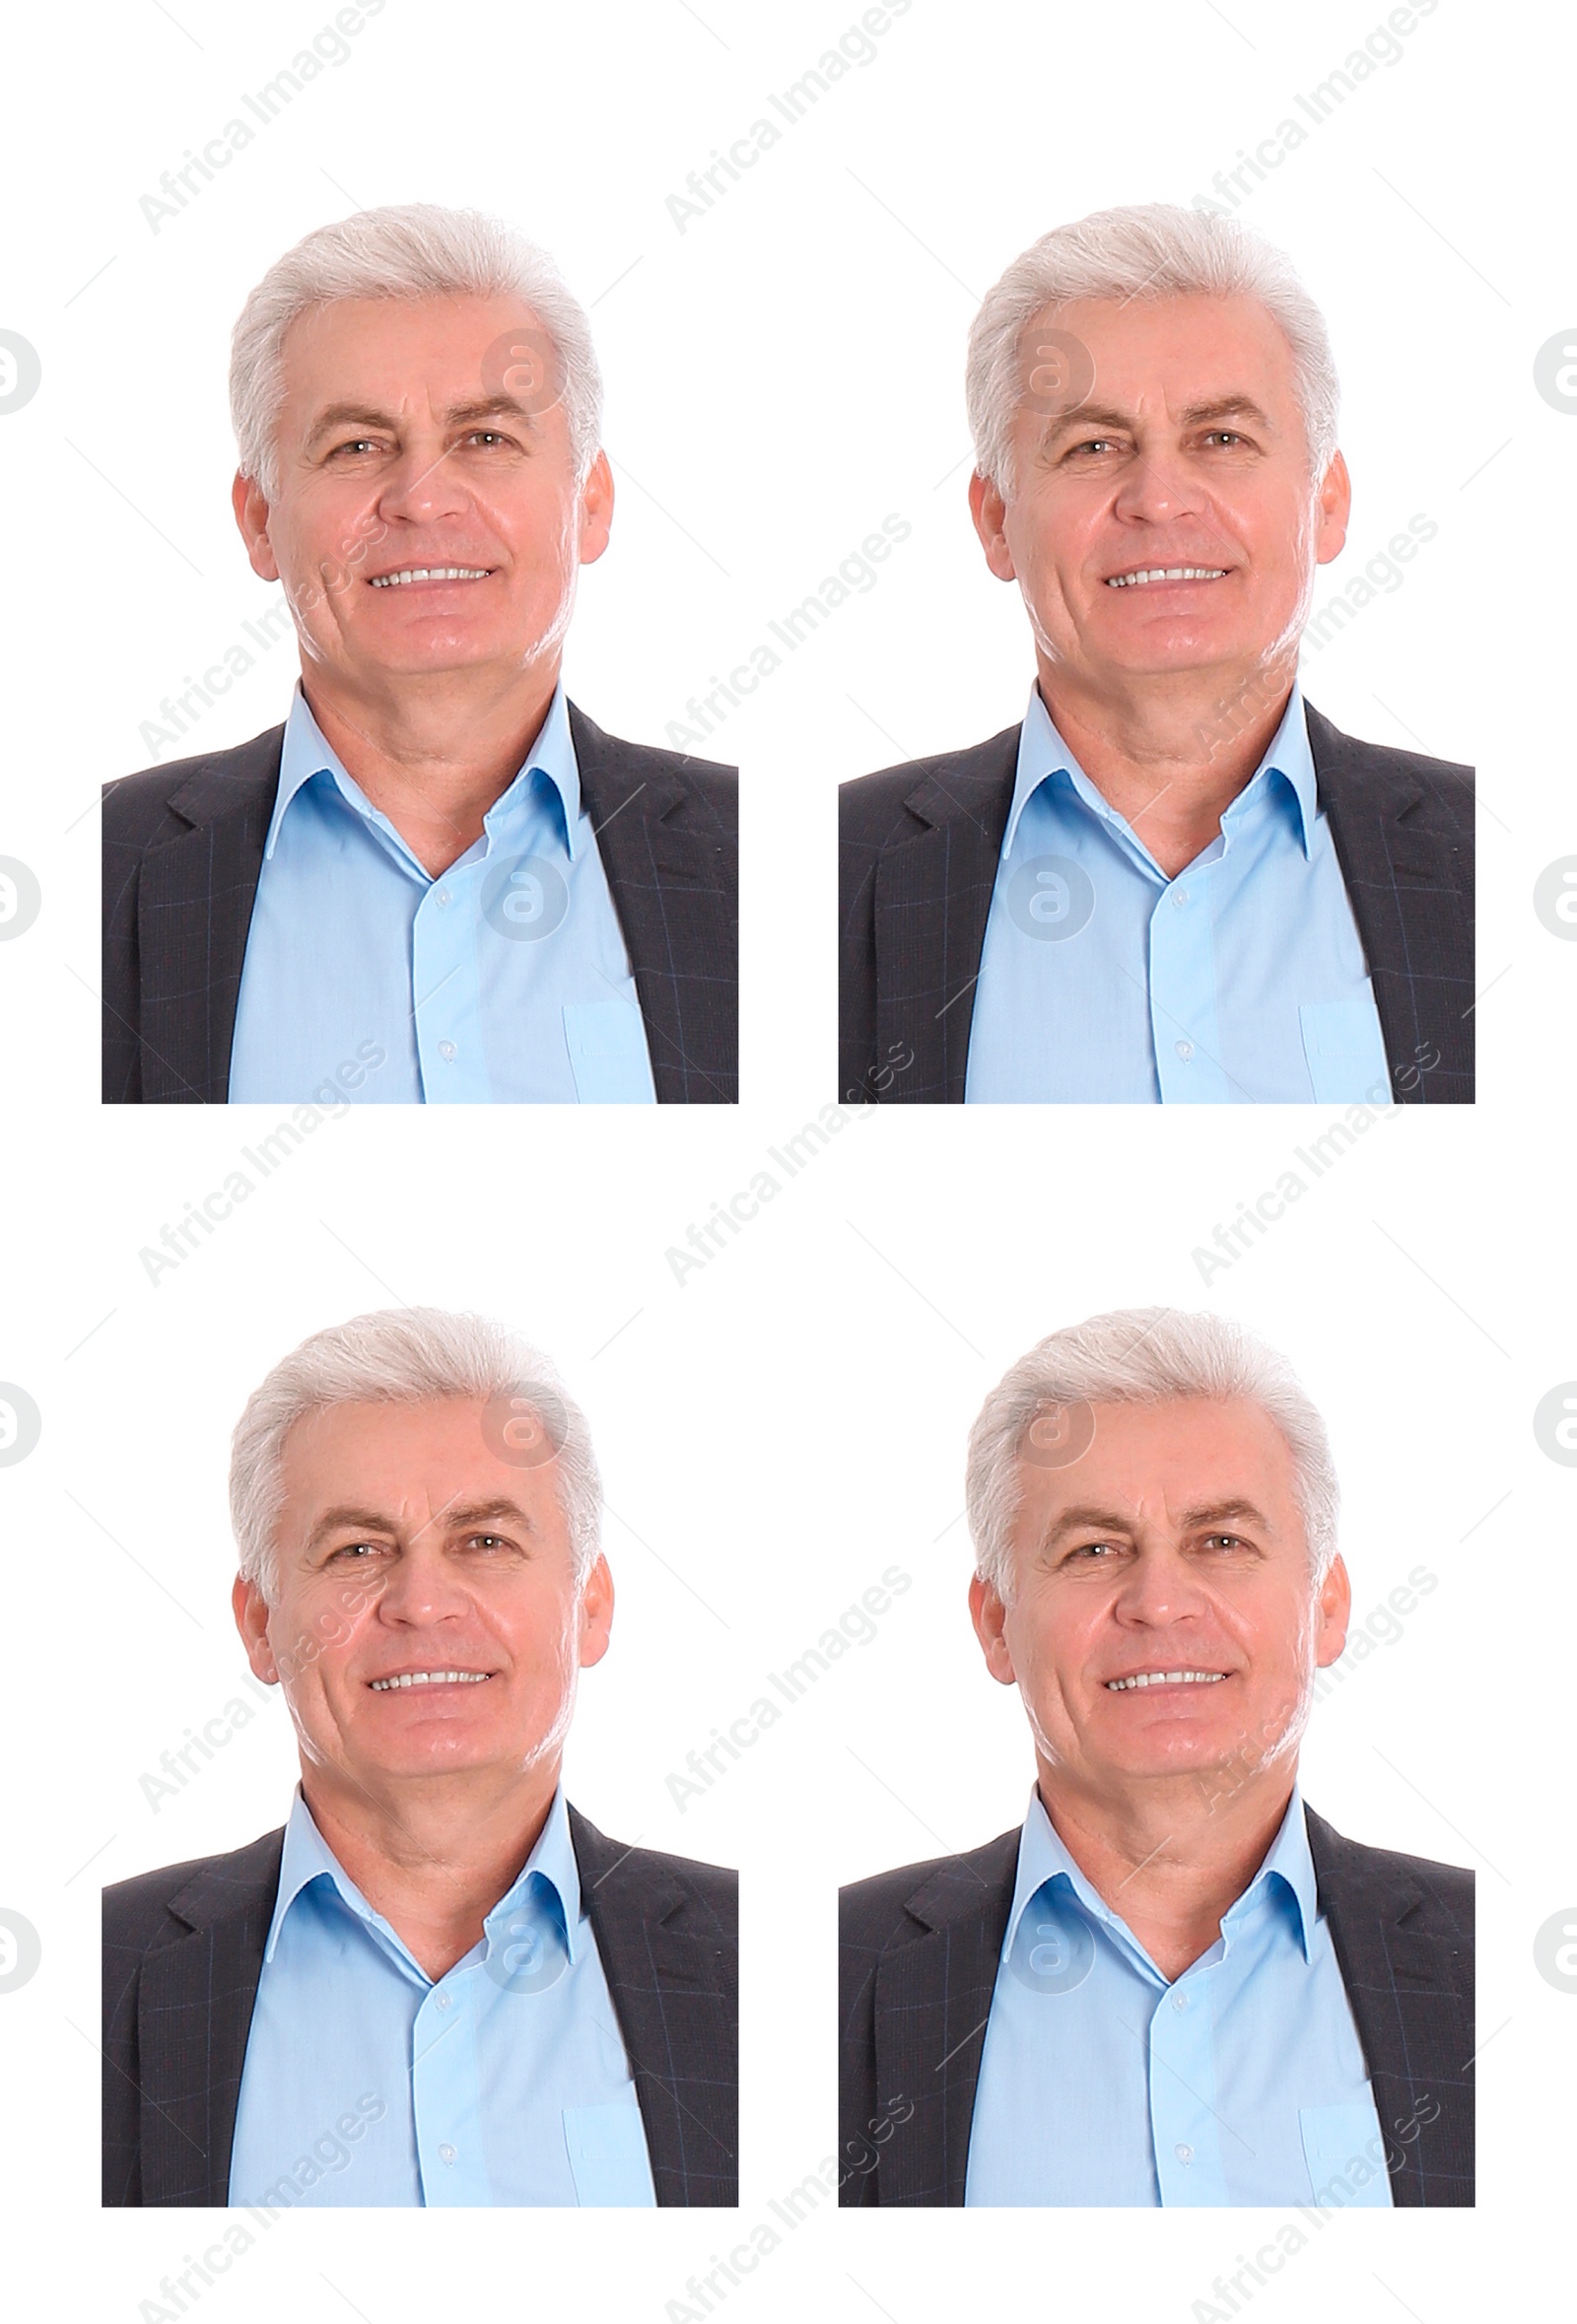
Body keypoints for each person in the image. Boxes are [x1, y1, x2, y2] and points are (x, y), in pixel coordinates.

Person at [840, 1307, 1473, 2206]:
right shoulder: (818, 1979)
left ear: (1327, 1605)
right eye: (1094, 1549)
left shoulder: (1493, 1963)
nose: (1160, 1603)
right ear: (996, 1626)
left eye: (1222, 1541)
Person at [840, 207, 1473, 1105]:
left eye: (1222, 438)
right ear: (996, 522)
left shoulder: (1496, 857)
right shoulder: (816, 877)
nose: (1160, 500)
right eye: (1093, 446)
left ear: (1327, 502)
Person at [104, 205, 736, 1105]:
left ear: (589, 502)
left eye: (486, 439)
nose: (423, 500)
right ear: (259, 523)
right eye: (357, 446)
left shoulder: (771, 864)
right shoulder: (95, 874)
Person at [103, 1309, 736, 2207]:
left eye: (485, 1542)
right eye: (357, 1550)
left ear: (590, 1605)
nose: (423, 1602)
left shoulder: (770, 1967)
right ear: (260, 1626)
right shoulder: (89, 1983)